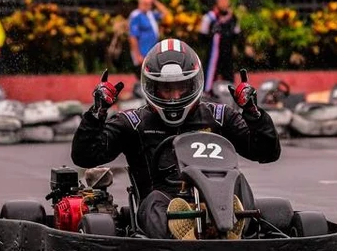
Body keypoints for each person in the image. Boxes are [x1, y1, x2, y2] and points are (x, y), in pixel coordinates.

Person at [70, 38, 280, 240]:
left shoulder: (219, 116)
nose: (175, 97)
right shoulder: (134, 123)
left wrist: (253, 113)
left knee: (242, 183)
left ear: (193, 84)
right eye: (167, 89)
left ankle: (233, 230)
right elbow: (85, 155)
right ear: (152, 87)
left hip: (221, 199)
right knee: (155, 200)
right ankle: (183, 236)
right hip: (164, 205)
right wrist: (96, 114)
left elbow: (266, 152)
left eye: (181, 88)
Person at [200, 0, 241, 93]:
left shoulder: (233, 18)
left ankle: (230, 94)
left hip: (227, 52)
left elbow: (237, 33)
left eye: (226, 1)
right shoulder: (209, 17)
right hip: (213, 53)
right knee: (210, 72)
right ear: (217, 3)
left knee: (228, 73)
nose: (224, 4)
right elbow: (202, 34)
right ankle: (207, 92)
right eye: (221, 1)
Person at [127, 0, 169, 68]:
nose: (149, 6)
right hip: (142, 54)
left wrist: (154, 0)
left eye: (150, 4)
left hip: (152, 53)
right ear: (141, 3)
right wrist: (137, 55)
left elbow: (166, 13)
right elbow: (132, 37)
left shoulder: (150, 14)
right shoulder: (136, 15)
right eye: (146, 3)